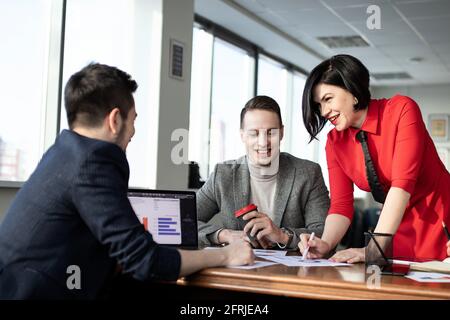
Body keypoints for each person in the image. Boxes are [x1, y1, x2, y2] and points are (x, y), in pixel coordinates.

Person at [0, 63, 254, 299]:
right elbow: (146, 261)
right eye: (133, 120)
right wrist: (225, 255)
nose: (132, 132)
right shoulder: (93, 162)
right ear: (114, 120)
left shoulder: (63, 153)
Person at [298, 54, 450, 263]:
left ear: (352, 89)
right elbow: (341, 205)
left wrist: (373, 249)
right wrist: (325, 243)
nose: (323, 112)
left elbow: (401, 186)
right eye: (318, 105)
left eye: (328, 99)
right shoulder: (335, 141)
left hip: (442, 222)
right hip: (397, 230)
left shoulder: (401, 110)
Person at [197, 95, 329, 250]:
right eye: (254, 133)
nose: (262, 142)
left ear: (281, 133)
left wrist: (282, 235)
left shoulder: (308, 173)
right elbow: (184, 221)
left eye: (271, 133)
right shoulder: (223, 175)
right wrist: (223, 235)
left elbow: (324, 233)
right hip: (239, 269)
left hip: (293, 272)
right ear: (242, 136)